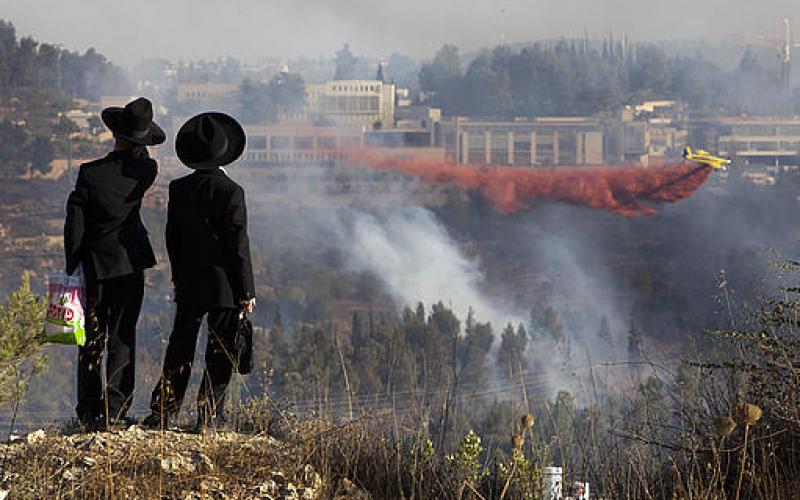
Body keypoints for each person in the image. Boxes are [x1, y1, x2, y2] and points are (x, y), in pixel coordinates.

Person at [143, 112, 255, 431]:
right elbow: (238, 246)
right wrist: (246, 291)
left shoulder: (179, 189)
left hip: (190, 281)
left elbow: (173, 239)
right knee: (219, 351)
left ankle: (164, 412)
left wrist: (178, 278)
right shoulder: (232, 192)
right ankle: (210, 418)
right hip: (225, 286)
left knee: (180, 347)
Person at [64, 97, 165, 429]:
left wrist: (73, 264)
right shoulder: (146, 170)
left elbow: (74, 224)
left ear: (115, 133)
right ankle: (116, 411)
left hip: (94, 266)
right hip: (130, 263)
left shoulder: (89, 174)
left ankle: (89, 411)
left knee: (91, 337)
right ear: (141, 139)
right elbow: (141, 156)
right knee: (123, 335)